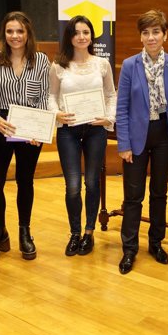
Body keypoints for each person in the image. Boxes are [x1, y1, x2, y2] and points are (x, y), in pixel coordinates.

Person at [115, 10, 168, 275]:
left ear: (165, 35)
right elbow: (122, 108)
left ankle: (156, 242)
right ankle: (129, 248)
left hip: (166, 135)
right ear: (140, 36)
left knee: (159, 192)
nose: (151, 37)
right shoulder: (130, 65)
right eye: (146, 32)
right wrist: (123, 143)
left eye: (156, 31)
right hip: (136, 138)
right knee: (133, 197)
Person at [0, 11, 50, 262]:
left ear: (28, 33)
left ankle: (25, 232)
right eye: (10, 31)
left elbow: (44, 97)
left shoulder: (41, 60)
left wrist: (38, 130)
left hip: (30, 126)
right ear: (4, 34)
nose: (15, 36)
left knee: (25, 181)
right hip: (1, 124)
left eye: (20, 31)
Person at [49, 15, 116, 257]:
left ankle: (89, 233)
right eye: (76, 32)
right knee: (73, 186)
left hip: (95, 129)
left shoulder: (102, 64)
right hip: (68, 129)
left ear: (91, 36)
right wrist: (57, 114)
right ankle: (74, 233)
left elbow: (111, 94)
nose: (81, 36)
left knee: (92, 182)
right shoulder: (58, 66)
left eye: (85, 32)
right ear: (69, 36)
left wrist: (109, 119)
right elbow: (50, 97)